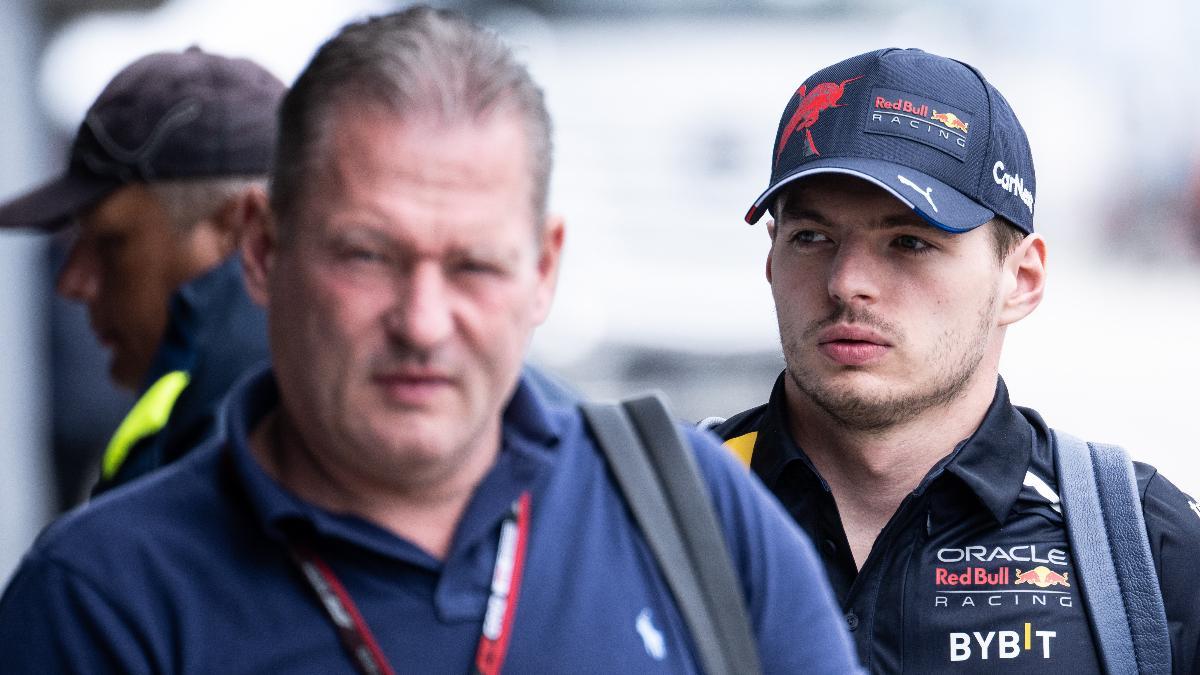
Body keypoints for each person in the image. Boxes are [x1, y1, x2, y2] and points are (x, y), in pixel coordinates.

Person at [0, 8, 862, 673]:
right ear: (262, 249)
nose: (421, 321)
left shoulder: (696, 510)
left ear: (543, 268)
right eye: (367, 255)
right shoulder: (99, 597)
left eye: (473, 264)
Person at [709, 48, 1200, 672]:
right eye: (812, 237)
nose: (847, 282)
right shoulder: (652, 506)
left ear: (1020, 279)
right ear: (771, 257)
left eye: (909, 242)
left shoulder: (1147, 549)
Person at [0, 47, 284, 496]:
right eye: (74, 243)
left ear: (244, 230)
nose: (72, 283)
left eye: (111, 243)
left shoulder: (260, 455)